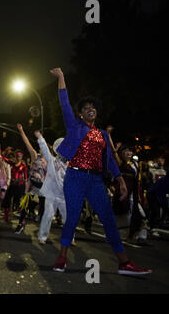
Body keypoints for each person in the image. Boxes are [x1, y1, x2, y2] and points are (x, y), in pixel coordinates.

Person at [50, 67, 151, 275]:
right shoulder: (74, 125)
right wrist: (61, 78)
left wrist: (120, 180)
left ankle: (124, 263)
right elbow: (64, 103)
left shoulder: (103, 135)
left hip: (95, 181)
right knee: (73, 218)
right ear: (80, 113)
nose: (90, 109)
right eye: (86, 107)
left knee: (108, 219)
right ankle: (62, 258)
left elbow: (111, 163)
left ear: (96, 112)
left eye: (93, 107)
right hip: (75, 177)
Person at [34, 131, 69, 245]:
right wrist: (40, 138)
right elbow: (45, 149)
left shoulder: (71, 165)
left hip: (64, 196)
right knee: (48, 215)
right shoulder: (52, 160)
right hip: (52, 195)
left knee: (67, 218)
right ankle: (42, 237)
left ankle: (70, 238)